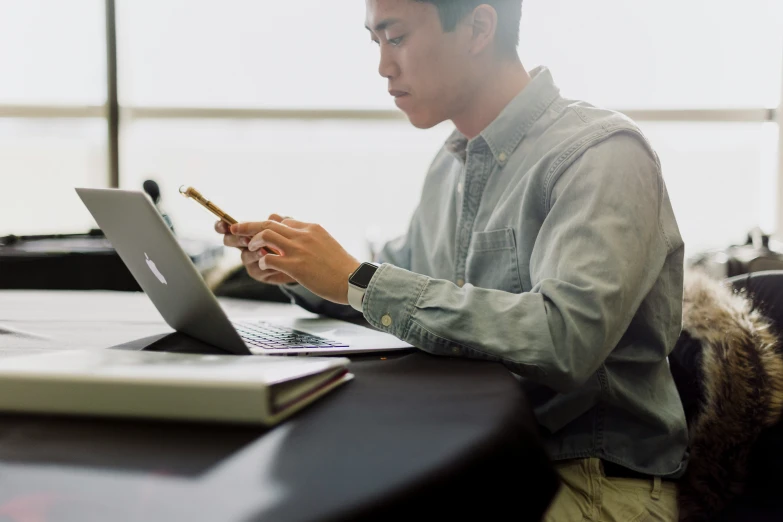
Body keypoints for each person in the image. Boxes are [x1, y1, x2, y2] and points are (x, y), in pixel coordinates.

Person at [216, 1, 687, 519]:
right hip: (477, 455)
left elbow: (565, 338)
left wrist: (356, 279)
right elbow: (398, 289)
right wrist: (302, 270)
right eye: (375, 42)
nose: (383, 67)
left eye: (395, 37)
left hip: (585, 476)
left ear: (479, 27)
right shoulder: (450, 164)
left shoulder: (601, 155)